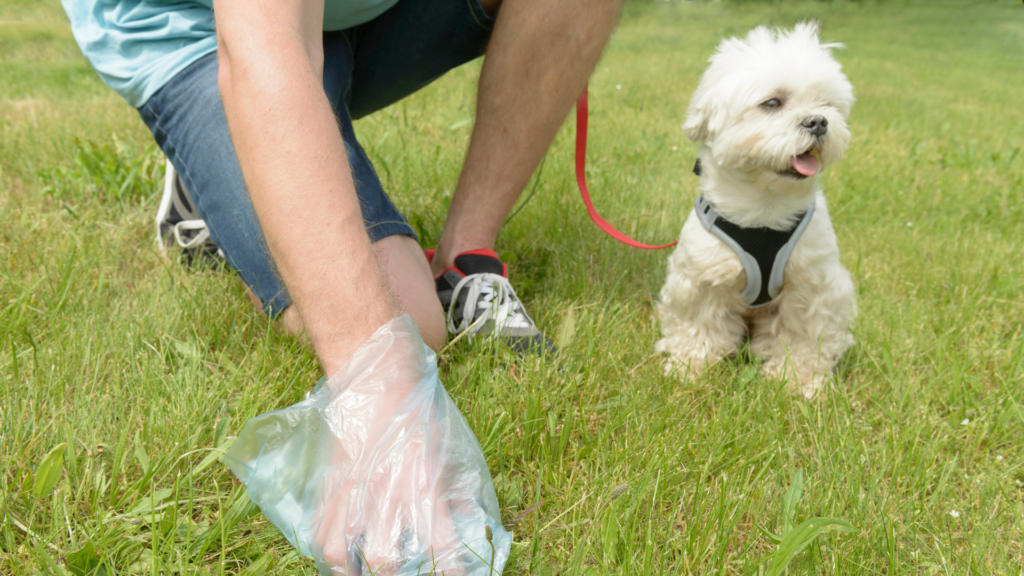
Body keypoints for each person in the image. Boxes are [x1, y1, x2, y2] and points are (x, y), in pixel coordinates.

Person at [63, 0, 620, 370]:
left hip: (362, 11)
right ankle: (210, 168)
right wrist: (383, 408)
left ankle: (463, 260)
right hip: (204, 30)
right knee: (402, 331)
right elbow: (265, 41)